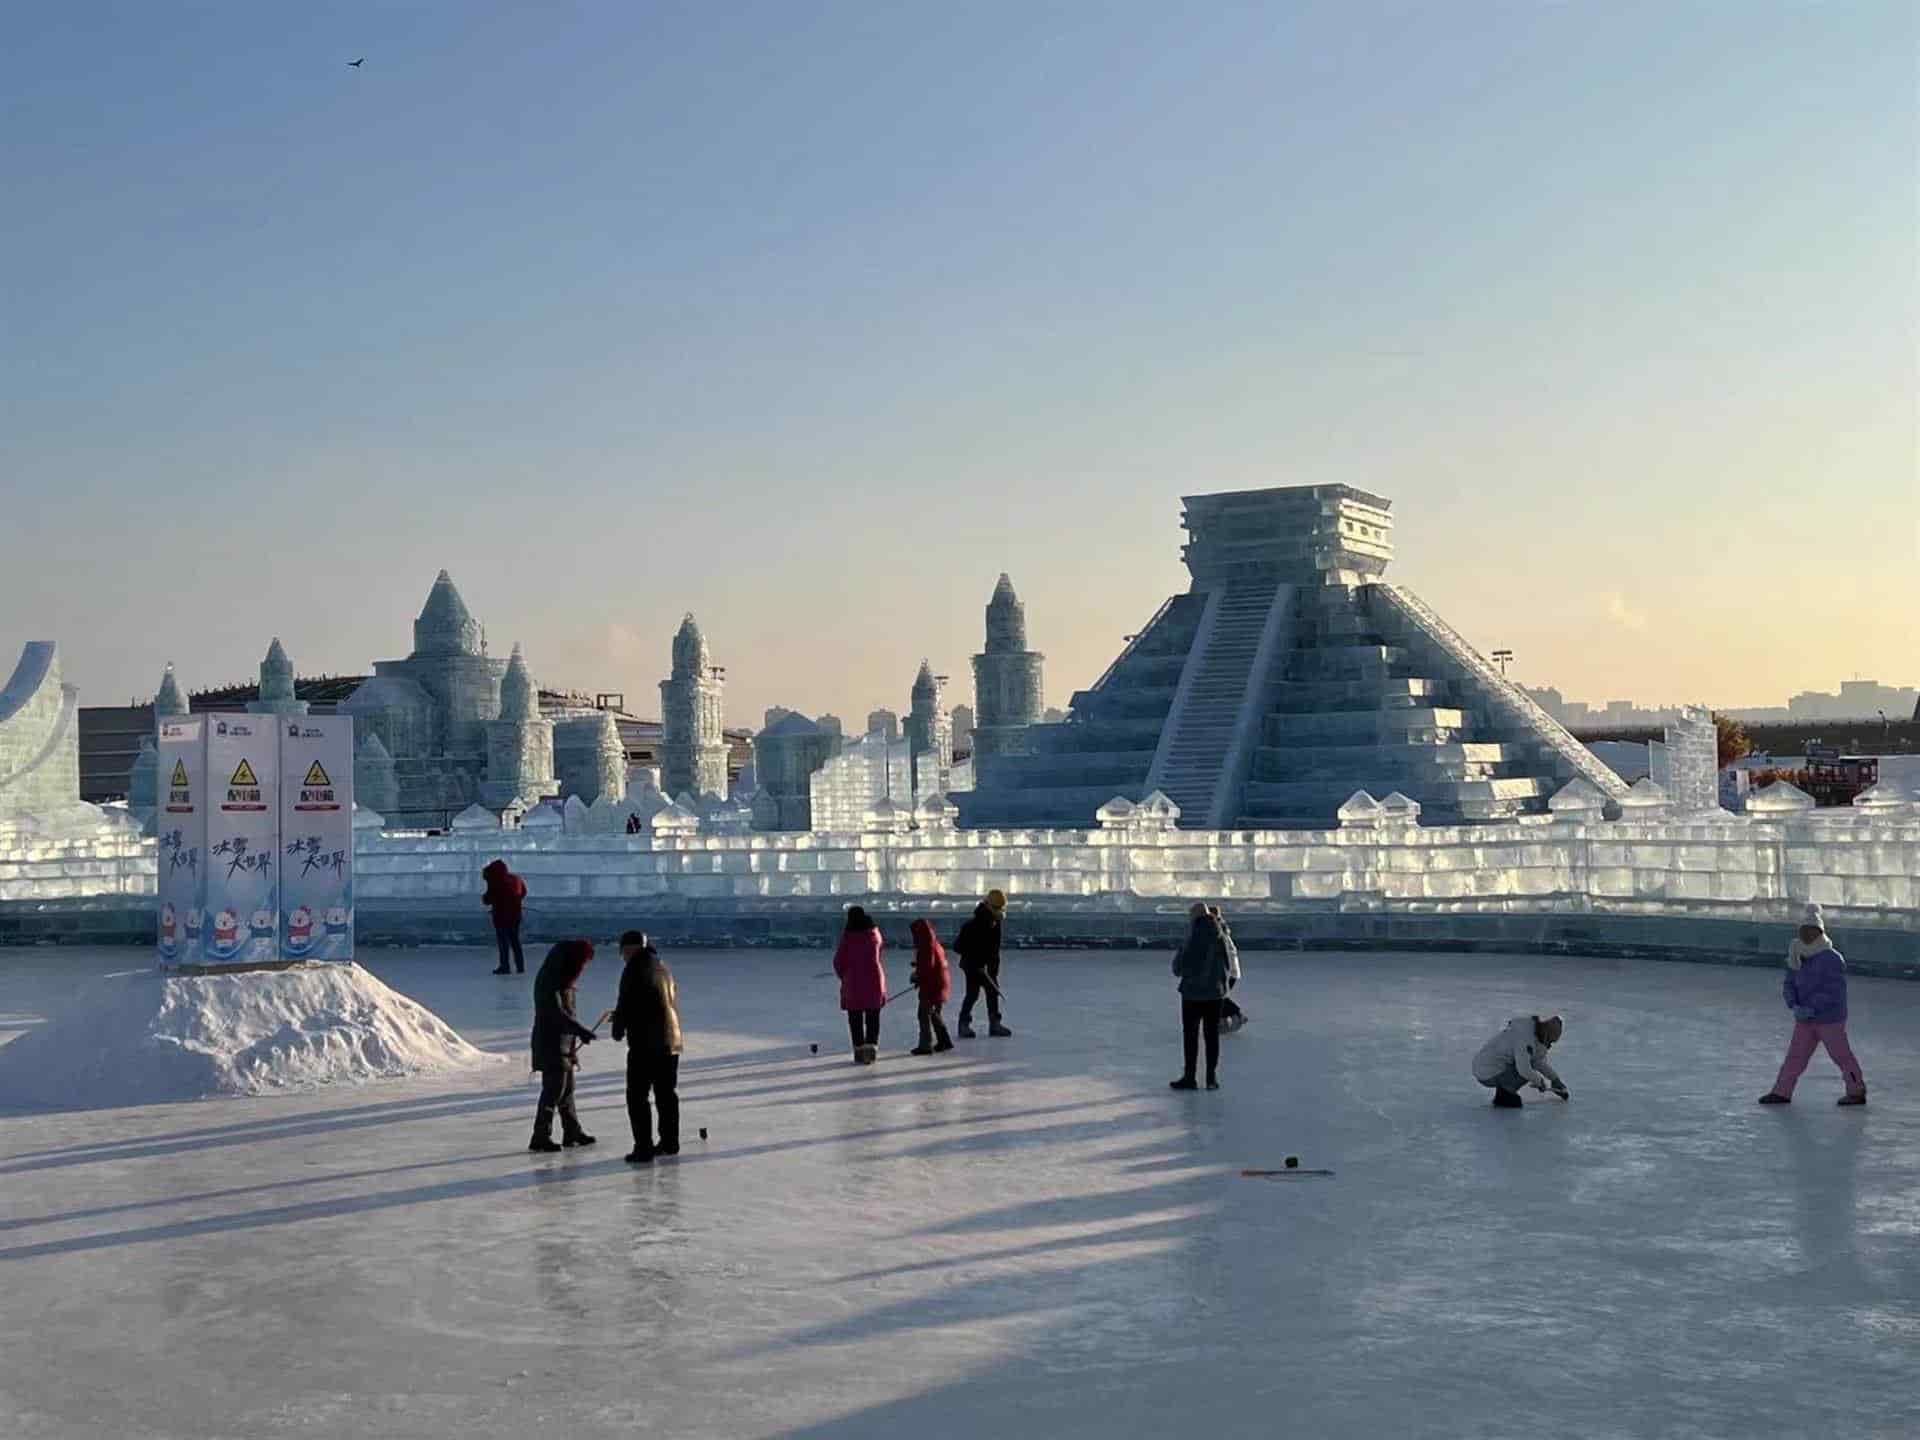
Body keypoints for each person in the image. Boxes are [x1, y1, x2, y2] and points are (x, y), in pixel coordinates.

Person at [1760, 903, 1867, 1107]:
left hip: (1830, 1019)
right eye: (1803, 930)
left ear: (1820, 932)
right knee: (1795, 1057)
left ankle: (1856, 1091)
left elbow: (1833, 992)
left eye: (1811, 930)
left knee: (1841, 1056)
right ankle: (1781, 1092)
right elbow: (1789, 983)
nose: (1806, 934)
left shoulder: (1832, 959)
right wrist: (1794, 1005)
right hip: (1805, 1019)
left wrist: (1812, 1007)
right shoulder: (1796, 953)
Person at [609, 930, 683, 1162]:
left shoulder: (635, 967)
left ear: (631, 948)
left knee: (637, 1096)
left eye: (623, 951)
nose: (622, 957)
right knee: (666, 1094)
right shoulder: (662, 966)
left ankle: (643, 1147)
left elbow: (627, 1001)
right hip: (670, 1041)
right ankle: (670, 1142)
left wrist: (618, 1027)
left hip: (645, 1043)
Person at [528, 939, 598, 1152]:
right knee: (553, 1090)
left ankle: (572, 1131)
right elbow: (556, 1014)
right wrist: (580, 1030)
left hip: (564, 1043)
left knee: (567, 1089)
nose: (583, 968)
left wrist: (576, 1035)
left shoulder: (563, 976)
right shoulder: (550, 979)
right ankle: (540, 1136)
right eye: (583, 963)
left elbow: (567, 1013)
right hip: (549, 1042)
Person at [1171, 903, 1233, 1091]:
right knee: (1211, 1036)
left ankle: (1190, 1077)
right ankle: (1211, 1078)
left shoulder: (1192, 937)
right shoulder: (1220, 935)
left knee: (1190, 1036)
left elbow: (1178, 968)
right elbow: (1228, 964)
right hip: (1215, 994)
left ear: (1194, 917)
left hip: (1192, 994)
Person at [1473, 1014, 1569, 1108]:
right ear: (1547, 1034)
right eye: (1550, 1041)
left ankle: (1504, 1093)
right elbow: (1524, 1069)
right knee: (1526, 1069)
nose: (1549, 1045)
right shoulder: (1525, 1038)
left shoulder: (1534, 1033)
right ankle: (1505, 1096)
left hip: (1489, 1068)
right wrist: (1539, 1082)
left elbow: (1537, 1061)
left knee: (1527, 1067)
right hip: (1487, 1071)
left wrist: (1555, 1079)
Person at [833, 906, 888, 1064]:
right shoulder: (875, 935)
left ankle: (859, 1050)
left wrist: (844, 975)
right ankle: (871, 1049)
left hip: (853, 982)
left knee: (855, 1018)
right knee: (873, 1017)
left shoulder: (848, 938)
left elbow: (838, 961)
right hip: (874, 980)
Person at [954, 890, 1012, 1038]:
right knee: (972, 994)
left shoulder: (995, 923)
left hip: (988, 966)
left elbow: (994, 950)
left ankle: (995, 1024)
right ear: (988, 906)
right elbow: (958, 947)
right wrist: (975, 960)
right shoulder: (971, 926)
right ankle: (963, 1024)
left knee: (992, 992)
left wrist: (993, 970)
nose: (999, 912)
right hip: (972, 966)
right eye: (996, 908)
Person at [908, 918, 954, 1056]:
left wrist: (917, 977)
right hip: (939, 983)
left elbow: (927, 966)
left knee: (923, 1014)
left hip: (932, 985)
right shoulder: (934, 943)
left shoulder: (926, 945)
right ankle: (944, 1040)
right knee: (934, 1013)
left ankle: (925, 1045)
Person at [481, 859, 528, 975]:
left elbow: (488, 899)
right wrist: (516, 901)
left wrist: (484, 898)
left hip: (501, 916)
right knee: (515, 940)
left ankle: (505, 966)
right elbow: (524, 892)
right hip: (516, 914)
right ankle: (520, 966)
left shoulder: (496, 881)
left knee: (503, 942)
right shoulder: (516, 878)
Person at [1212, 906, 1248, 1032]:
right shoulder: (1222, 931)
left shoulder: (1218, 933)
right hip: (1229, 971)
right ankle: (1222, 1020)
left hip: (1227, 972)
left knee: (1217, 997)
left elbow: (1223, 954)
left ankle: (1236, 1015)